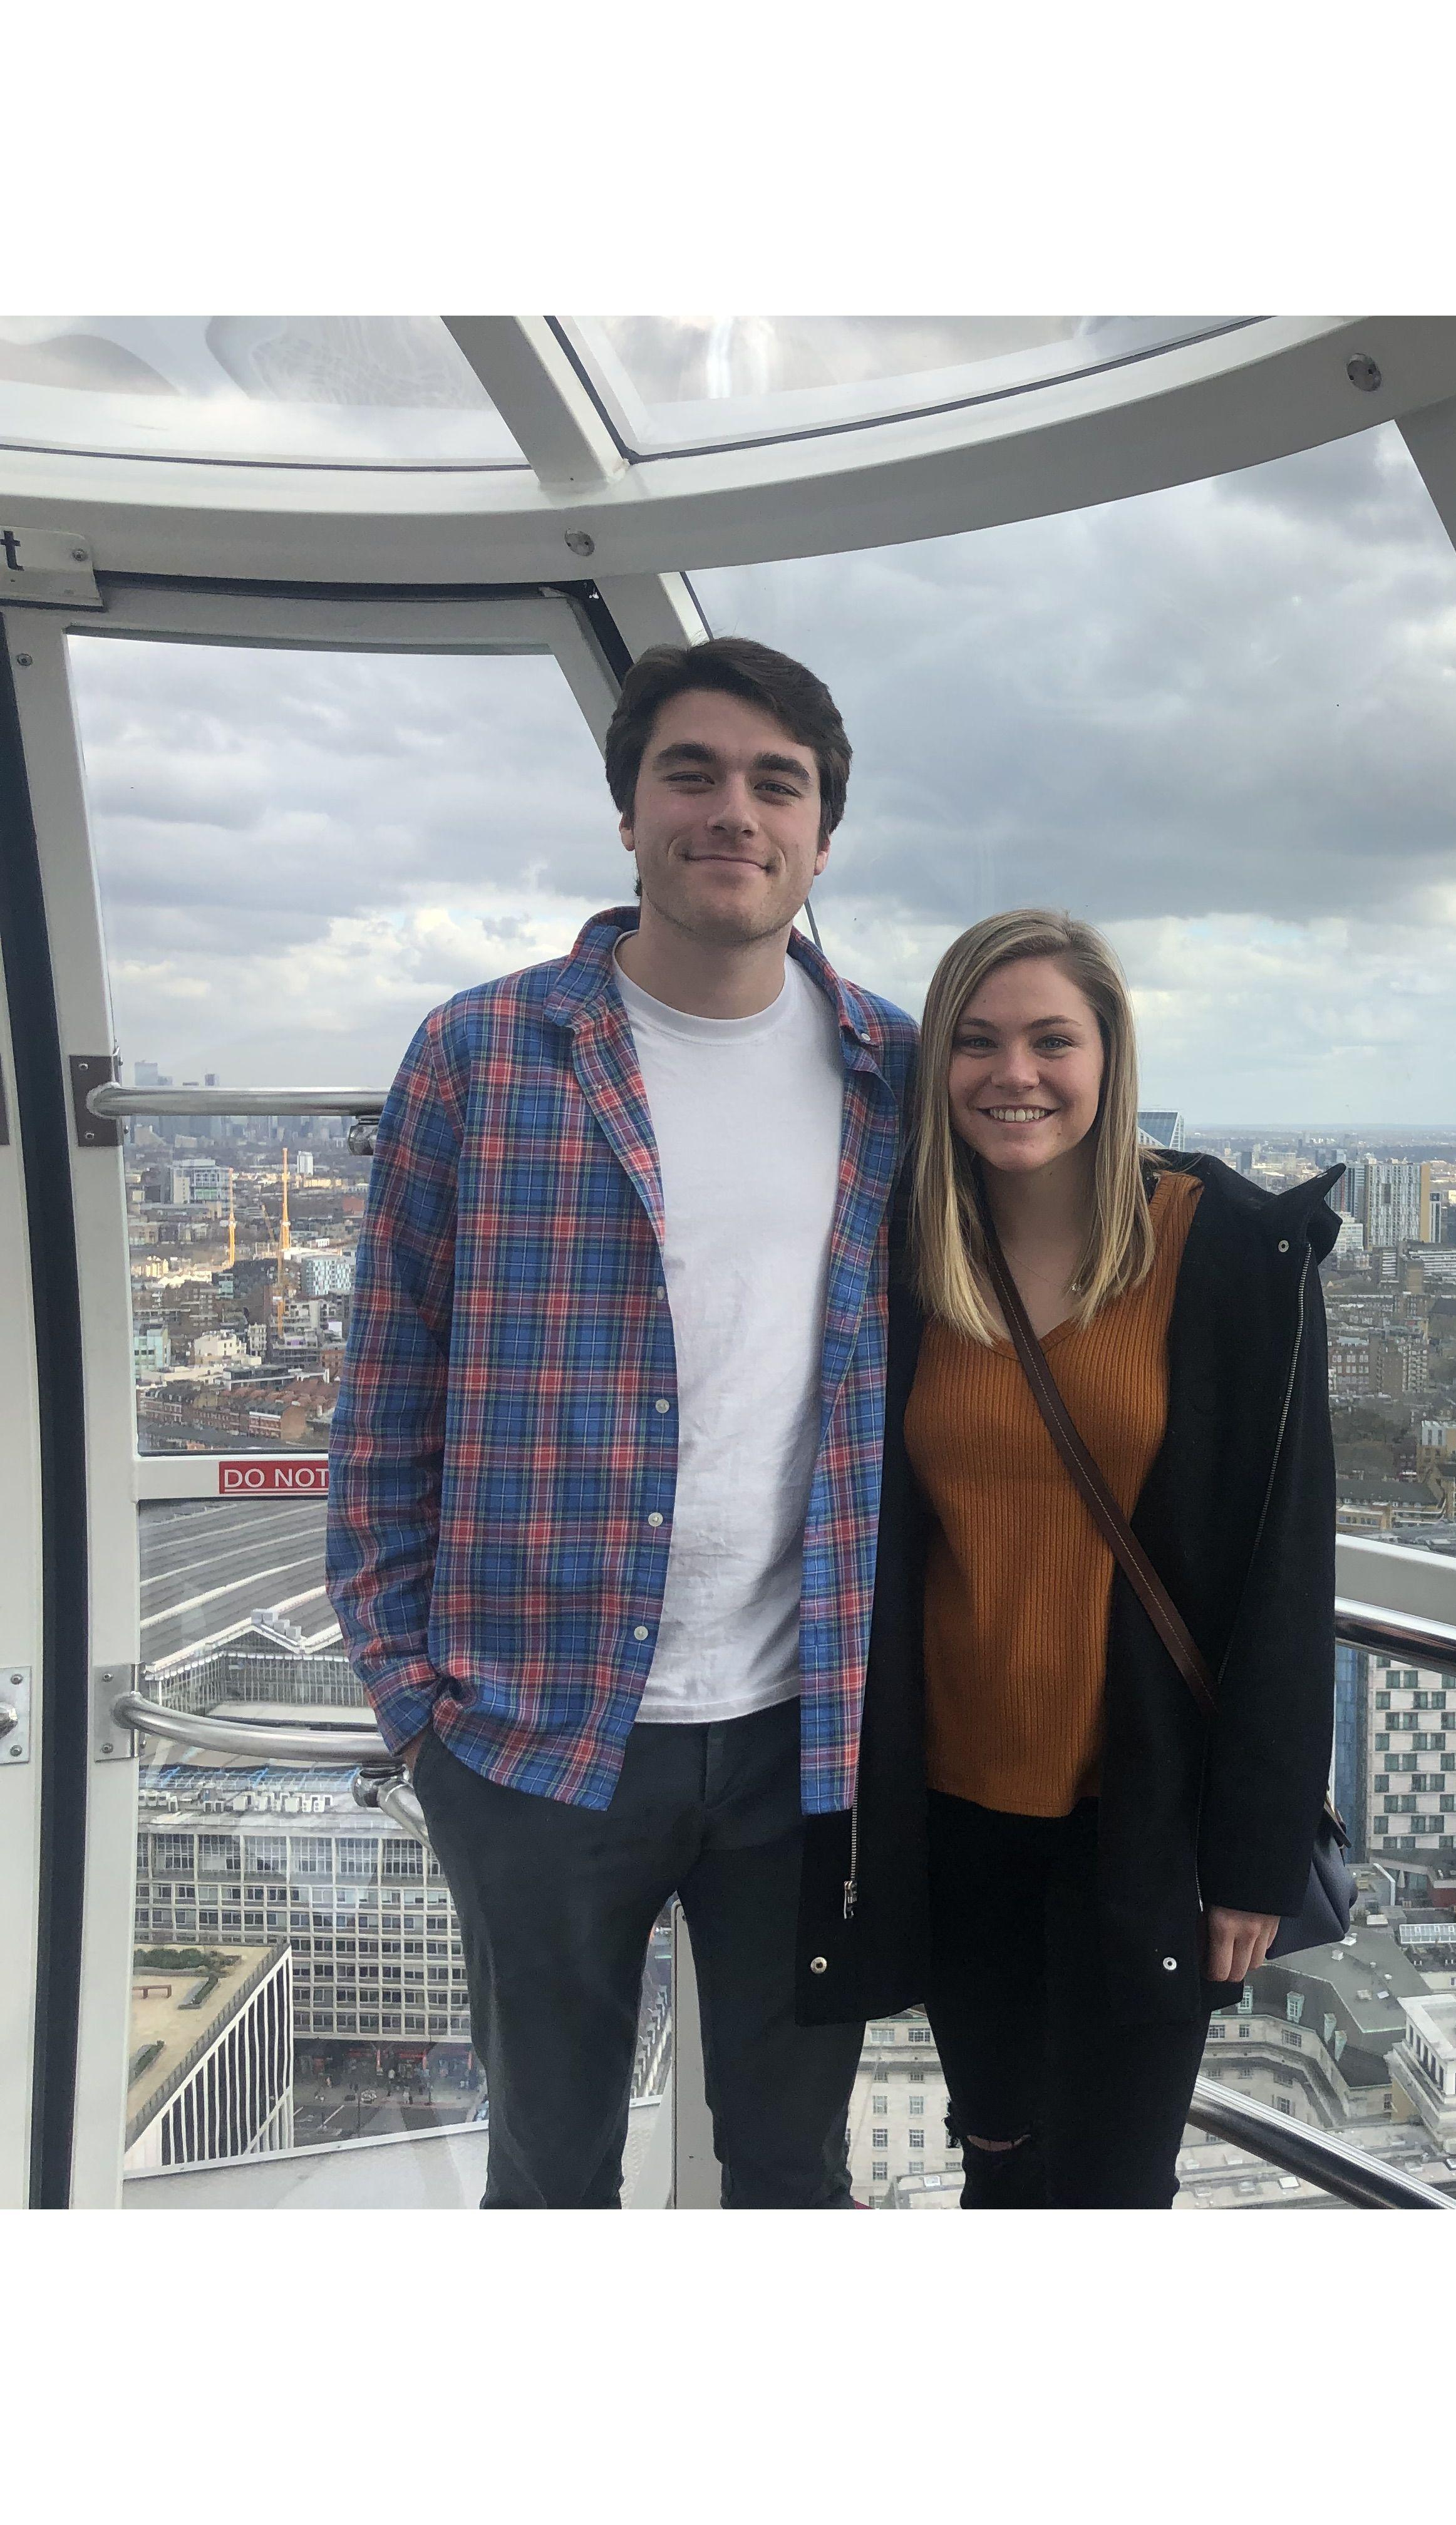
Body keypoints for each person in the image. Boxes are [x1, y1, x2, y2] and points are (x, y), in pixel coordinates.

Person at [327, 636, 916, 2208]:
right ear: (630, 812)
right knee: (549, 2168)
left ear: (822, 837)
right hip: (532, 1737)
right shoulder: (479, 1053)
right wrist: (415, 1709)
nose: (735, 811)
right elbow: (384, 1398)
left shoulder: (896, 1072)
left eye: (776, 784)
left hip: (807, 1734)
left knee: (792, 2166)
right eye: (692, 773)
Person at [793, 909, 1340, 2208]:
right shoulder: (901, 1251)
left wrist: (1252, 1858)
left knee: (1114, 2184)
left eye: (1052, 1040)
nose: (1014, 1074)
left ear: (1111, 1057)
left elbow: (1283, 1573)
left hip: (1140, 1818)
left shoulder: (1228, 1252)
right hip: (952, 1807)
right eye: (976, 1042)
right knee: (997, 2158)